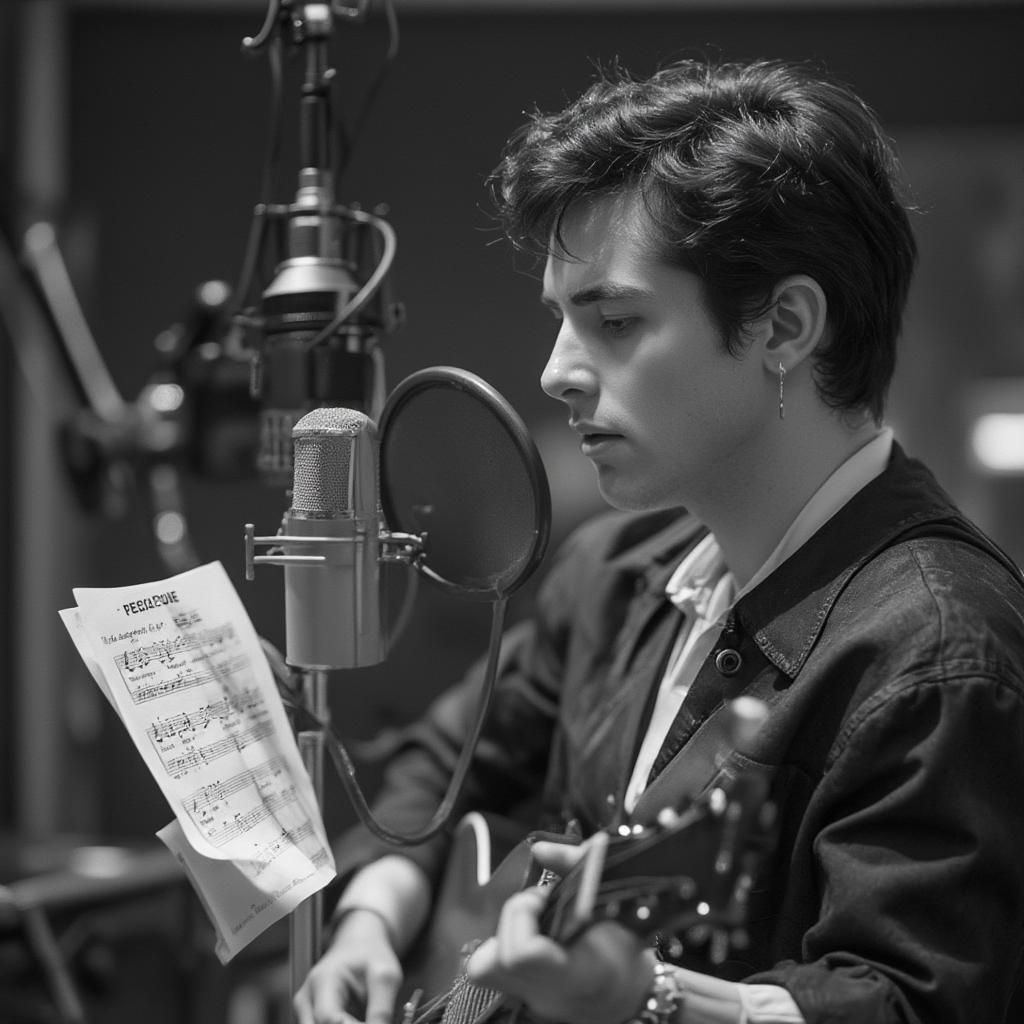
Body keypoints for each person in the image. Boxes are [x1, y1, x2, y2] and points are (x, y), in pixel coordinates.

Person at [293, 58, 1024, 1024]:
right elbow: (445, 764)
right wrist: (371, 921)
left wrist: (652, 1001)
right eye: (561, 320)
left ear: (786, 325)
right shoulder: (609, 572)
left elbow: (908, 1003)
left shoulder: (937, 654)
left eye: (617, 321)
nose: (555, 373)